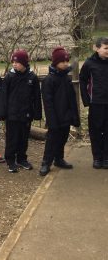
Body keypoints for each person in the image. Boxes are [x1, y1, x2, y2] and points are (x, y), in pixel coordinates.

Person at [0, 50, 42, 173]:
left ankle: (22, 158)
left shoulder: (32, 77)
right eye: (13, 62)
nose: (14, 64)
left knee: (23, 138)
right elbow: (3, 96)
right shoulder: (9, 77)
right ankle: (10, 160)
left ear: (23, 62)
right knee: (12, 138)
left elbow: (36, 97)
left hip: (26, 113)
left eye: (17, 62)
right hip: (12, 114)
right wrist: (2, 112)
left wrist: (37, 113)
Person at [40, 47, 80, 176]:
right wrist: (52, 120)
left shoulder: (67, 78)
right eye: (63, 61)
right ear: (56, 62)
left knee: (63, 138)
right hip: (55, 117)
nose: (66, 64)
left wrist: (74, 116)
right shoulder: (49, 80)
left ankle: (59, 158)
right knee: (52, 140)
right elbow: (48, 103)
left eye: (67, 61)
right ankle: (46, 162)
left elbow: (72, 99)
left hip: (66, 115)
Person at [80, 37, 108, 169]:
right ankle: (97, 157)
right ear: (97, 49)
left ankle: (106, 157)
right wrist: (87, 101)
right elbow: (82, 81)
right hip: (96, 103)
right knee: (96, 131)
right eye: (106, 48)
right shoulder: (89, 64)